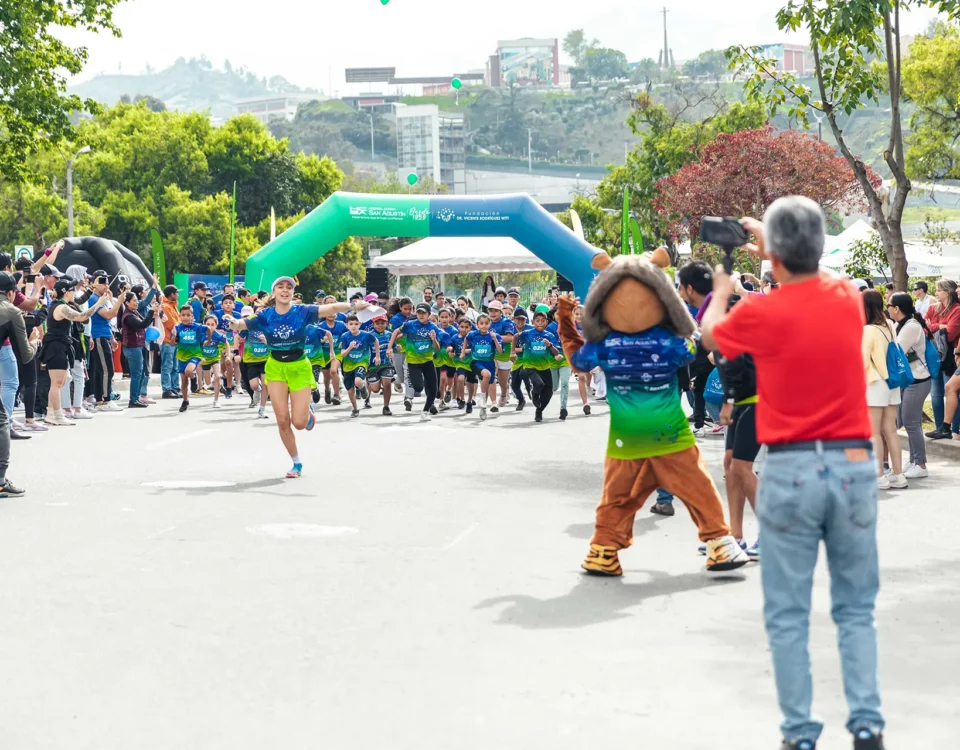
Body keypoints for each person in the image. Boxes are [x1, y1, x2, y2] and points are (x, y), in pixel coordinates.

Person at [701, 196, 885, 750]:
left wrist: (723, 286)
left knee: (787, 611)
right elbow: (820, 272)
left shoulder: (758, 313)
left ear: (773, 257)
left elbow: (710, 335)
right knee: (855, 608)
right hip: (853, 462)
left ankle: (801, 735)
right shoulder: (845, 297)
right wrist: (778, 241)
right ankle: (867, 724)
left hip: (789, 466)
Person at [230, 278, 365, 476]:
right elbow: (243, 324)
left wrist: (353, 305)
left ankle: (307, 413)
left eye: (289, 287)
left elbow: (331, 308)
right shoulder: (265, 315)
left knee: (299, 423)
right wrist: (233, 322)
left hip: (299, 367)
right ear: (273, 292)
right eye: (280, 287)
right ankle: (296, 462)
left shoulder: (302, 311)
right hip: (275, 368)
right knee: (282, 420)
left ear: (293, 292)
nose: (285, 290)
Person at [43, 279, 110, 425]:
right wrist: (98, 304)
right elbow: (81, 317)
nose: (74, 292)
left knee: (58, 383)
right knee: (57, 383)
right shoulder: (61, 307)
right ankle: (57, 415)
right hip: (56, 346)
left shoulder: (62, 305)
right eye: (72, 290)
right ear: (66, 293)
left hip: (59, 346)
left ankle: (52, 413)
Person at [861, 290, 907, 490]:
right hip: (892, 382)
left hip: (875, 383)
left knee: (874, 433)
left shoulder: (867, 330)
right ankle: (899, 475)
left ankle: (879, 476)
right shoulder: (889, 325)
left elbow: (861, 361)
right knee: (891, 431)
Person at [0, 272, 41, 494]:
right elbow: (25, 355)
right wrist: (35, 341)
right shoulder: (12, 311)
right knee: (2, 423)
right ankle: (0, 481)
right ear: (10, 292)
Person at [885, 293, 932, 478]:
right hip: (909, 379)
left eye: (889, 304)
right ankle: (914, 460)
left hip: (918, 380)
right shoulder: (900, 324)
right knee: (908, 422)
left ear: (896, 308)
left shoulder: (911, 326)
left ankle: (920, 464)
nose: (887, 308)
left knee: (911, 423)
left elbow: (897, 351)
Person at [677, 261, 715, 436]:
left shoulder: (719, 309)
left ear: (690, 289)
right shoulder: (708, 310)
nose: (678, 293)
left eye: (680, 288)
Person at [387, 302, 442, 421]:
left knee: (434, 389)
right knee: (418, 387)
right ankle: (416, 379)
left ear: (429, 314)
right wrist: (390, 347)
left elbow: (437, 349)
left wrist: (433, 340)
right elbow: (396, 332)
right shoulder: (410, 325)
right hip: (413, 362)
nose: (421, 315)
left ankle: (425, 411)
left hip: (428, 361)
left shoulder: (433, 327)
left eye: (424, 313)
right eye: (419, 313)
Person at [924, 278, 960, 439]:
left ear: (947, 292)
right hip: (932, 355)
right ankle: (940, 428)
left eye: (939, 290)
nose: (936, 293)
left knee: (950, 390)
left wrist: (934, 327)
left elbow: (951, 333)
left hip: (950, 357)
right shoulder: (933, 308)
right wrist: (939, 327)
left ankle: (953, 428)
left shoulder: (957, 310)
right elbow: (923, 328)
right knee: (936, 394)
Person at [87, 272, 127, 411]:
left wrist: (111, 338)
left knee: (101, 370)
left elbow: (107, 321)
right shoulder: (94, 299)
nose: (105, 284)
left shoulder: (101, 298)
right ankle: (105, 400)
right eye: (101, 281)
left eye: (106, 281)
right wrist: (119, 301)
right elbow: (109, 314)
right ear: (93, 284)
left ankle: (100, 400)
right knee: (106, 370)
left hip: (104, 335)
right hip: (98, 336)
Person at [514, 310, 562, 423]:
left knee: (549, 392)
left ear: (546, 322)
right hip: (530, 365)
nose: (540, 323)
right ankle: (534, 394)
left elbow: (556, 353)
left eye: (543, 321)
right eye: (537, 320)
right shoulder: (528, 333)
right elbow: (516, 336)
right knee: (539, 384)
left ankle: (539, 410)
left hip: (545, 367)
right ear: (533, 322)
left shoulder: (549, 335)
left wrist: (549, 345)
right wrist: (512, 352)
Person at [462, 313, 502, 421]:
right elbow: (466, 339)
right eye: (481, 323)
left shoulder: (494, 336)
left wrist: (495, 340)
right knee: (486, 375)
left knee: (488, 381)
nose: (484, 326)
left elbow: (500, 351)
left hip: (489, 363)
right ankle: (482, 396)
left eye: (486, 323)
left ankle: (483, 408)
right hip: (476, 362)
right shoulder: (473, 334)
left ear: (490, 324)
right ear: (477, 324)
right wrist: (462, 352)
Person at [338, 314, 378, 418]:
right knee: (350, 390)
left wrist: (377, 356)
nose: (354, 326)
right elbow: (342, 354)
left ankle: (362, 387)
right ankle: (355, 408)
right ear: (347, 325)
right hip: (348, 366)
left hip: (361, 362)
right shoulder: (344, 337)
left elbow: (375, 341)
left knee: (358, 381)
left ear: (360, 324)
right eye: (351, 324)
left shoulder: (365, 335)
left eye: (356, 324)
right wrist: (350, 347)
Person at [172, 305, 207, 413]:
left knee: (188, 371)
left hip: (195, 355)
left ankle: (194, 377)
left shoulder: (198, 327)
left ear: (192, 316)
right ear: (179, 316)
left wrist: (208, 341)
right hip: (182, 356)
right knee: (183, 380)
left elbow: (209, 329)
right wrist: (174, 335)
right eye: (183, 315)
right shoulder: (177, 328)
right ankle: (185, 400)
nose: (185, 317)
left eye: (188, 315)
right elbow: (172, 343)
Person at [487, 300, 516, 408]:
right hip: (491, 354)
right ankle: (493, 402)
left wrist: (495, 337)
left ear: (500, 312)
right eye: (491, 311)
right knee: (491, 377)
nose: (493, 313)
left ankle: (504, 394)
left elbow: (510, 338)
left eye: (496, 311)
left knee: (503, 382)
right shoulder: (486, 321)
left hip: (504, 355)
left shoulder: (506, 322)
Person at [367, 313, 396, 416]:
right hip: (372, 366)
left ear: (386, 323)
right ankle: (368, 391)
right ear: (373, 324)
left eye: (382, 323)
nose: (380, 325)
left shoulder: (389, 334)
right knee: (375, 389)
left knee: (387, 383)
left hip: (386, 364)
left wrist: (396, 348)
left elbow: (394, 347)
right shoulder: (369, 335)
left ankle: (386, 407)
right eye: (377, 323)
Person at [199, 313, 226, 409]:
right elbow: (197, 345)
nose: (210, 326)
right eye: (208, 324)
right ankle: (214, 379)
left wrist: (227, 354)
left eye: (212, 324)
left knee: (217, 377)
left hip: (215, 358)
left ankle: (216, 400)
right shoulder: (202, 334)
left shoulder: (217, 335)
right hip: (205, 359)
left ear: (216, 325)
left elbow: (226, 342)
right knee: (207, 382)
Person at [160, 285, 181, 399]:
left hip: (174, 340)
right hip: (168, 340)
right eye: (176, 293)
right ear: (172, 294)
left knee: (175, 366)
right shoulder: (166, 307)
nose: (177, 295)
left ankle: (174, 387)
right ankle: (167, 389)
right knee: (168, 366)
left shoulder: (172, 306)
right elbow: (171, 324)